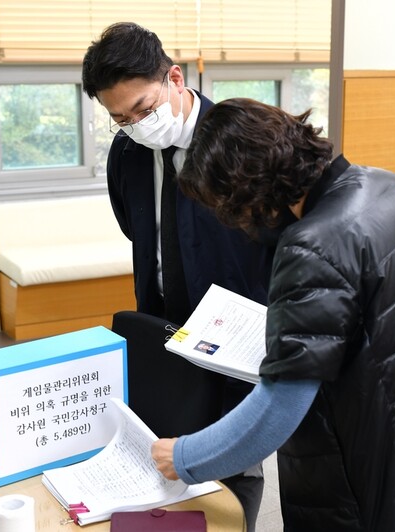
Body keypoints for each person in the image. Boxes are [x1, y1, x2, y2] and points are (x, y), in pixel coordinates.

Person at [151, 98, 395, 531]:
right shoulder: (389, 186)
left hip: (374, 453)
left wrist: (184, 457)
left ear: (249, 190)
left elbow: (278, 410)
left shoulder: (312, 246)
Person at [82, 24, 273, 530]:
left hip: (238, 334)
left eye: (144, 109)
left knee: (232, 459)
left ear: (173, 76)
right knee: (162, 449)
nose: (136, 124)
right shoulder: (125, 153)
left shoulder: (239, 143)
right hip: (162, 322)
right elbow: (137, 230)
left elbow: (276, 244)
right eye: (119, 118)